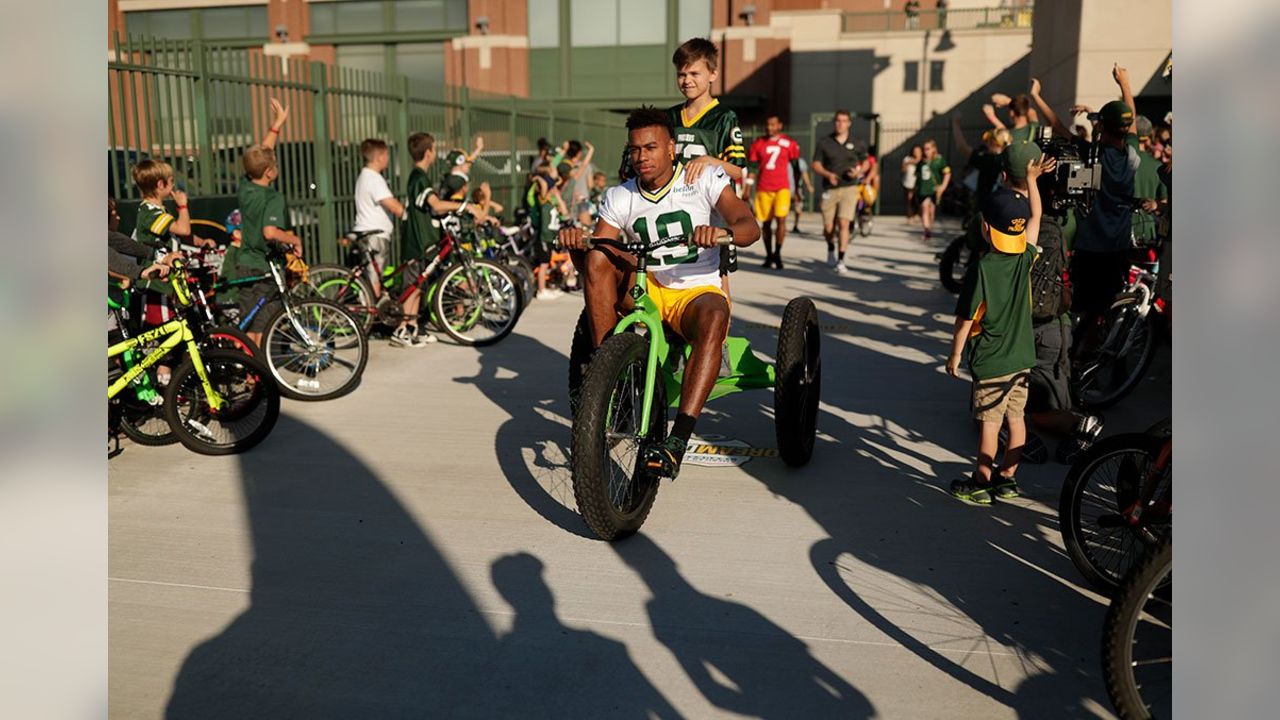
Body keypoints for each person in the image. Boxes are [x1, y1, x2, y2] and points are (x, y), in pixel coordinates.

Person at [558, 106, 760, 480]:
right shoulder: (621, 194)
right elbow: (598, 259)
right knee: (598, 257)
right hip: (645, 289)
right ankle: (610, 377)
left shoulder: (703, 178)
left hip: (693, 293)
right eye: (635, 150)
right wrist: (576, 243)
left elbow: (749, 226)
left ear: (671, 148)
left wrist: (720, 233)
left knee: (716, 315)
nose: (641, 157)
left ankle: (677, 440)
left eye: (650, 148)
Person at [946, 151, 1054, 504]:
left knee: (990, 424)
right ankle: (1008, 477)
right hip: (1022, 358)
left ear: (984, 227)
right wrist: (1034, 181)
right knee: (1017, 420)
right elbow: (1037, 216)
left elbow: (966, 319)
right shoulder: (1025, 256)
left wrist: (956, 354)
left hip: (991, 360)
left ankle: (981, 479)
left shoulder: (982, 268)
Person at [1036, 65, 1141, 359]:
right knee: (1105, 306)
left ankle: (1071, 357)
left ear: (1101, 127)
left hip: (1089, 246)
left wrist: (1037, 97)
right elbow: (1130, 124)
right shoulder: (1132, 156)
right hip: (1118, 247)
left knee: (1077, 305)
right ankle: (1094, 353)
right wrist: (1126, 83)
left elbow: (1056, 126)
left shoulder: (1089, 154)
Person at [665, 38, 748, 294]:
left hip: (712, 211)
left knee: (716, 276)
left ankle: (718, 334)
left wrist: (710, 161)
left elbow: (740, 171)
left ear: (713, 74)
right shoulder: (669, 117)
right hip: (674, 207)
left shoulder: (724, 117)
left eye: (694, 73)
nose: (687, 80)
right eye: (681, 74)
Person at [397, 132, 484, 348]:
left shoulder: (420, 176)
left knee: (419, 285)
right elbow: (435, 204)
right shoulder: (418, 177)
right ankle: (402, 329)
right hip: (416, 240)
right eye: (434, 149)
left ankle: (413, 328)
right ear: (428, 153)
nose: (435, 153)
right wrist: (465, 206)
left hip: (425, 240)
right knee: (412, 285)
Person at [232, 98, 305, 349]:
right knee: (263, 324)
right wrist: (294, 239)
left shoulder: (246, 187)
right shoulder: (273, 197)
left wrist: (277, 125)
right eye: (274, 164)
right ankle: (259, 370)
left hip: (244, 263)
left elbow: (261, 156)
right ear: (270, 173)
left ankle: (247, 366)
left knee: (248, 319)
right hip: (265, 265)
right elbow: (270, 231)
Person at [812, 109, 866, 273]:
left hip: (849, 187)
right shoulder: (824, 142)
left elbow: (867, 162)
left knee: (844, 223)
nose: (840, 124)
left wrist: (859, 172)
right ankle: (830, 248)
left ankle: (841, 259)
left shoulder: (857, 142)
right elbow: (816, 164)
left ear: (849, 123)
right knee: (829, 227)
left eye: (843, 121)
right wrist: (828, 174)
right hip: (830, 188)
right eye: (837, 121)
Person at [352, 138, 404, 299]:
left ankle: (371, 308)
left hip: (368, 232)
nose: (388, 158)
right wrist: (407, 214)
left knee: (372, 274)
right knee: (375, 276)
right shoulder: (374, 179)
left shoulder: (365, 176)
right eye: (387, 154)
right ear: (379, 156)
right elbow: (392, 205)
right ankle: (372, 316)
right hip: (375, 235)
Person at [747, 115, 801, 269]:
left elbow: (796, 168)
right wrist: (747, 189)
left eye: (773, 125)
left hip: (782, 187)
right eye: (767, 124)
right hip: (764, 187)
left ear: (779, 125)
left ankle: (777, 253)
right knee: (766, 223)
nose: (769, 128)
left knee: (781, 219)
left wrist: (797, 188)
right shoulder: (758, 144)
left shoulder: (789, 144)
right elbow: (752, 168)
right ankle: (769, 254)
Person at [914, 138, 950, 240]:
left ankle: (929, 228)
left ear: (933, 149)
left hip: (934, 189)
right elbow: (917, 175)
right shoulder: (921, 162)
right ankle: (926, 230)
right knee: (925, 207)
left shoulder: (939, 160)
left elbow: (947, 173)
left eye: (928, 149)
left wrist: (943, 186)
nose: (925, 151)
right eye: (924, 149)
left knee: (931, 210)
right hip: (923, 189)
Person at [789, 156, 813, 234]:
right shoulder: (783, 159)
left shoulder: (800, 162)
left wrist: (808, 185)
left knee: (798, 208)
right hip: (784, 187)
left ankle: (795, 225)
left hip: (797, 188)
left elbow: (804, 174)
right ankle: (782, 225)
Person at [901, 145, 922, 224]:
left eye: (918, 151)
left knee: (917, 200)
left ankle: (917, 214)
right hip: (908, 183)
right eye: (915, 151)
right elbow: (903, 170)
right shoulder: (907, 159)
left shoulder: (923, 160)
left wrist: (917, 162)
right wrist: (908, 163)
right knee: (909, 199)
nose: (916, 153)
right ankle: (910, 216)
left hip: (919, 183)